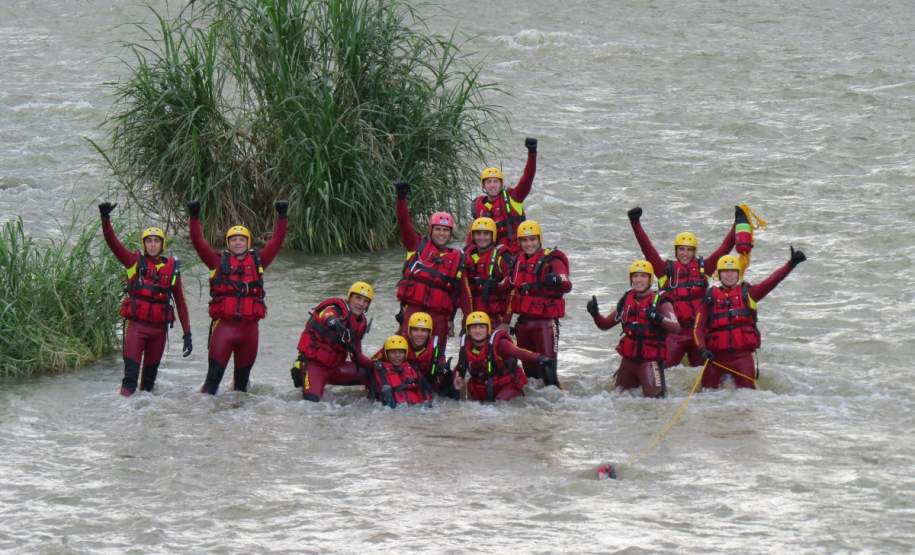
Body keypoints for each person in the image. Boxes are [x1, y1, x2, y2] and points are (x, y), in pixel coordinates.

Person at [187, 199, 287, 394]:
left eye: (242, 239)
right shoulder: (215, 262)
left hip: (249, 332)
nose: (238, 242)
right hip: (224, 329)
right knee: (212, 385)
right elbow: (198, 242)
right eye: (234, 239)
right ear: (228, 243)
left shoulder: (259, 261)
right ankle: (203, 420)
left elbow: (276, 241)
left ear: (248, 242)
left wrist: (282, 217)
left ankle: (240, 423)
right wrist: (194, 218)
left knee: (241, 389)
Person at [627, 206, 738, 369]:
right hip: (674, 335)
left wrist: (738, 222)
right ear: (676, 251)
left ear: (694, 252)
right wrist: (635, 222)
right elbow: (647, 249)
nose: (685, 253)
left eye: (689, 250)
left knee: (705, 378)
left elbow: (724, 249)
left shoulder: (704, 268)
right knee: (663, 372)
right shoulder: (665, 270)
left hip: (698, 333)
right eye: (681, 249)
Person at [99, 202, 192, 395]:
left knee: (148, 386)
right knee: (129, 382)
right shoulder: (133, 262)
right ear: (144, 244)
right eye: (148, 241)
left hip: (159, 333)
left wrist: (187, 334)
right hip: (137, 329)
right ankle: (123, 419)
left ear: (162, 244)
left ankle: (146, 422)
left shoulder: (172, 270)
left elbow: (181, 304)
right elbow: (112, 243)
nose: (152, 244)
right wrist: (105, 219)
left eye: (156, 241)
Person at [693, 248, 807, 389]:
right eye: (725, 271)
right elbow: (698, 328)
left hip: (742, 359)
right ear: (719, 275)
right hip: (715, 359)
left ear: (738, 273)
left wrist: (791, 264)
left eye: (733, 271)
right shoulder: (709, 297)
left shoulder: (750, 294)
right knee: (707, 396)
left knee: (748, 399)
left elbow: (772, 281)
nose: (729, 275)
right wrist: (702, 349)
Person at [587, 260, 681, 397]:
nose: (638, 280)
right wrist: (595, 314)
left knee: (656, 402)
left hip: (649, 362)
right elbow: (605, 324)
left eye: (643, 276)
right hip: (628, 362)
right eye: (635, 276)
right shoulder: (626, 300)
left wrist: (658, 318)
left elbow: (676, 327)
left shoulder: (661, 302)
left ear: (650, 279)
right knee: (617, 398)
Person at [393, 180, 463, 348]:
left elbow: (458, 294)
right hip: (412, 312)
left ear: (450, 234)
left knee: (435, 361)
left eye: (445, 230)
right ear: (431, 230)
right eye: (438, 229)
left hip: (439, 317)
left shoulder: (457, 258)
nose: (441, 233)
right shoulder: (416, 246)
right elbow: (404, 223)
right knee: (404, 355)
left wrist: (454, 321)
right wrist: (401, 198)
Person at [505, 220, 571, 387]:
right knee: (532, 378)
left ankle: (559, 407)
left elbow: (566, 284)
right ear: (519, 242)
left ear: (539, 239)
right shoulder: (517, 261)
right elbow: (510, 289)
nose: (529, 244)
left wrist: (556, 279)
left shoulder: (552, 259)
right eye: (525, 240)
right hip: (523, 325)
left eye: (532, 239)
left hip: (545, 324)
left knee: (549, 374)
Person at [292, 281, 376, 402]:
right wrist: (332, 320)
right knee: (310, 404)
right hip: (315, 366)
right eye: (358, 298)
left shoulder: (360, 324)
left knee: (373, 374)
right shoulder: (334, 309)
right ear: (349, 297)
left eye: (365, 301)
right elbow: (326, 314)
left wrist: (377, 365)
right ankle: (301, 371)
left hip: (336, 368)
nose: (361, 304)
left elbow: (357, 356)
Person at [454, 312, 556, 402]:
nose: (477, 331)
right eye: (473, 327)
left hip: (506, 384)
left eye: (481, 327)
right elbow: (460, 367)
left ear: (488, 329)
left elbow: (519, 353)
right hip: (485, 385)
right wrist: (456, 378)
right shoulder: (465, 347)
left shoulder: (500, 343)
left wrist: (540, 359)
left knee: (500, 404)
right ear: (468, 331)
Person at [473, 137, 538, 255]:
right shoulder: (478, 206)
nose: (492, 186)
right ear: (483, 185)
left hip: (516, 253)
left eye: (496, 182)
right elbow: (474, 236)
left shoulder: (514, 197)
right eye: (489, 182)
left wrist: (532, 153)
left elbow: (528, 177)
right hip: (493, 255)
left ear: (501, 184)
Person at [373, 311, 457, 399]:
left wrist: (445, 371)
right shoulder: (398, 342)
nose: (419, 334)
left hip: (425, 383)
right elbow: (375, 360)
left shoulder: (435, 347)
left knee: (450, 380)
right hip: (403, 383)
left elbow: (441, 365)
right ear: (409, 331)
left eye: (424, 330)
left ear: (429, 333)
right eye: (415, 330)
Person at [460, 217, 513, 330]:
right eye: (478, 234)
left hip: (495, 320)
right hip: (471, 318)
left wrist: (506, 322)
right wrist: (451, 319)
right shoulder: (465, 257)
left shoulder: (501, 257)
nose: (482, 237)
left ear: (493, 235)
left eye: (486, 234)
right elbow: (459, 292)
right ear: (473, 236)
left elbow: (512, 290)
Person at [370, 335, 434, 408]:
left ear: (405, 354)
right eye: (393, 352)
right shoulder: (380, 370)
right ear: (387, 354)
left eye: (401, 352)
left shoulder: (412, 367)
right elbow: (371, 397)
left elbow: (428, 391)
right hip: (393, 409)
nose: (397, 355)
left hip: (417, 408)